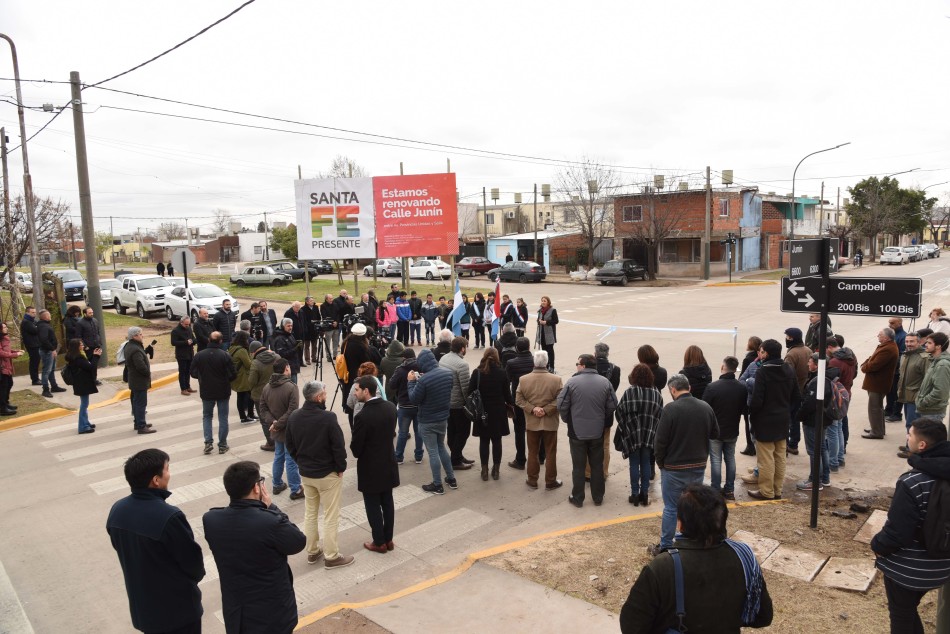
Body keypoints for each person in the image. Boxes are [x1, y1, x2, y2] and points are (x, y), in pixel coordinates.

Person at [620, 484, 773, 633]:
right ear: (723, 520)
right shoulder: (744, 557)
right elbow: (763, 617)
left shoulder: (662, 567)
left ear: (680, 524)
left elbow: (632, 626)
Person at [106, 449, 205, 634]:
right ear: (156, 480)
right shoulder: (169, 517)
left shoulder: (117, 510)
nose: (169, 474)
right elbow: (194, 566)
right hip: (178, 613)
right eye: (167, 469)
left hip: (144, 611)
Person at [203, 460, 305, 634]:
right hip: (273, 615)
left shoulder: (211, 520)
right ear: (256, 488)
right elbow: (298, 542)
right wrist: (271, 508)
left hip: (237, 614)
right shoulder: (269, 521)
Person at [872, 417, 950, 633]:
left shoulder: (912, 482)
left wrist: (877, 545)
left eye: (910, 434)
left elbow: (897, 534)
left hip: (909, 570)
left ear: (921, 445)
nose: (907, 437)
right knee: (907, 611)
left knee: (901, 617)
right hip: (943, 566)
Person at [285, 381, 355, 569]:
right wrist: (340, 467)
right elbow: (338, 446)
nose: (326, 395)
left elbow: (290, 445)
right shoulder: (328, 418)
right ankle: (332, 556)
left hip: (307, 473)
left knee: (310, 513)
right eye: (324, 393)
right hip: (327, 474)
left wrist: (300, 461)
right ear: (318, 397)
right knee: (331, 515)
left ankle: (313, 550)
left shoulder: (294, 417)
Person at [652, 374, 718, 555]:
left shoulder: (670, 409)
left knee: (671, 507)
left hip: (673, 468)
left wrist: (661, 463)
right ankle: (690, 540)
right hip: (698, 465)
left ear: (673, 390)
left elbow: (660, 441)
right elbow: (715, 433)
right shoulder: (705, 407)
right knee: (693, 505)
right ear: (689, 388)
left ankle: (666, 545)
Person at [557, 354, 617, 508]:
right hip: (597, 431)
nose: (576, 366)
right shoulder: (605, 382)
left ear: (583, 366)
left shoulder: (572, 382)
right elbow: (612, 405)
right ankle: (598, 497)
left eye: (577, 364)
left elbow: (561, 405)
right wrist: (601, 417)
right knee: (597, 465)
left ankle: (578, 498)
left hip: (576, 432)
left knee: (578, 466)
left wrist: (568, 419)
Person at [350, 376, 400, 553]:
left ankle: (379, 542)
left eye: (357, 390)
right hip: (388, 463)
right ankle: (388, 539)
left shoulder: (362, 416)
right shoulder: (390, 407)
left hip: (370, 468)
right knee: (387, 502)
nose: (354, 393)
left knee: (372, 505)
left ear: (366, 391)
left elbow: (356, 449)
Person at [747, 339, 799, 500]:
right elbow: (796, 396)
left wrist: (752, 414)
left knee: (766, 458)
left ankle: (766, 491)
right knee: (779, 456)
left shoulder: (763, 371)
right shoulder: (788, 369)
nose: (760, 354)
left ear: (767, 353)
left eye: (762, 351)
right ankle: (777, 489)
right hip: (782, 419)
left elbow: (757, 400)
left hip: (765, 420)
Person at [408, 348, 457, 494]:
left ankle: (437, 485)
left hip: (427, 420)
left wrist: (411, 382)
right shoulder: (447, 373)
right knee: (441, 447)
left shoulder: (423, 380)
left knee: (433, 452)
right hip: (443, 418)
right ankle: (451, 479)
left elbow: (414, 399)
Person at [615, 363, 664, 506]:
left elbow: (619, 412)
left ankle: (635, 494)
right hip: (649, 434)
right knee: (646, 462)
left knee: (634, 463)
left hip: (632, 434)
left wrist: (626, 426)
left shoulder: (629, 392)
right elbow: (660, 415)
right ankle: (645, 494)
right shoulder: (656, 393)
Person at [515, 350, 564, 490]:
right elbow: (560, 400)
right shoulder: (556, 380)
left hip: (532, 422)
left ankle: (532, 480)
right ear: (547, 362)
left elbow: (519, 400)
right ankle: (550, 481)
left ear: (534, 362)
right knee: (551, 452)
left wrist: (533, 409)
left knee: (532, 452)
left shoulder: (523, 379)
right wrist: (546, 409)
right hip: (550, 422)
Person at [703, 356, 746, 500]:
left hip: (715, 430)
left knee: (716, 460)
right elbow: (743, 408)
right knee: (730, 459)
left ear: (723, 367)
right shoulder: (741, 388)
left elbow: (705, 408)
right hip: (732, 429)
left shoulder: (712, 387)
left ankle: (715, 488)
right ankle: (729, 489)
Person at [795, 353, 837, 491]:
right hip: (823, 419)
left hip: (813, 420)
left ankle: (815, 481)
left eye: (810, 361)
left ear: (818, 364)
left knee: (814, 450)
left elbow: (809, 403)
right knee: (821, 448)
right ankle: (825, 478)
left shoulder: (818, 381)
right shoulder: (827, 378)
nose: (808, 364)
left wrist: (799, 415)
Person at [470, 347, 513, 481]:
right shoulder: (502, 373)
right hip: (498, 412)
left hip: (481, 411)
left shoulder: (477, 372)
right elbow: (507, 395)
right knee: (497, 440)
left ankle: (484, 470)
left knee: (484, 440)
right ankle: (496, 470)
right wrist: (511, 404)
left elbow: (470, 391)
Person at [190, 331, 237, 454]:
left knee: (207, 416)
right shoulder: (225, 355)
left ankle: (208, 442)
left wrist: (202, 377)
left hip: (206, 390)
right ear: (221, 341)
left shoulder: (199, 355)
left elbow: (193, 372)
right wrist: (225, 380)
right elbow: (233, 374)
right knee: (223, 417)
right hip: (223, 390)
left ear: (208, 340)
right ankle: (222, 444)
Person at [586, 342, 621, 481]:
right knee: (605, 444)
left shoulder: (589, 368)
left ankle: (588, 472)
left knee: (588, 443)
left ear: (595, 353)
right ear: (608, 353)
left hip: (590, 411)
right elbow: (614, 389)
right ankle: (603, 472)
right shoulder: (615, 369)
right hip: (606, 411)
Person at [861, 327, 901, 439]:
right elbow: (872, 358)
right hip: (877, 382)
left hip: (878, 383)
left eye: (880, 335)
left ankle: (876, 432)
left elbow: (875, 365)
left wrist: (864, 367)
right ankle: (878, 429)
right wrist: (866, 363)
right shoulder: (886, 346)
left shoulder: (888, 349)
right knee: (877, 407)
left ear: (886, 338)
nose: (878, 336)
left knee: (874, 408)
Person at [441, 336, 473, 469]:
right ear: (462, 349)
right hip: (458, 404)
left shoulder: (444, 358)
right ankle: (455, 460)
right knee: (463, 432)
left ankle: (457, 455)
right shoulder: (462, 364)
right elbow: (465, 388)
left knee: (452, 430)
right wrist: (470, 404)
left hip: (445, 401)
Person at [506, 337, 536, 470]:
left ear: (516, 348)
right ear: (529, 347)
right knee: (537, 428)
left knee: (519, 431)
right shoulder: (535, 361)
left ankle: (520, 459)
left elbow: (507, 381)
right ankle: (540, 456)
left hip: (518, 400)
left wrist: (509, 401)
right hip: (535, 400)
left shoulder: (511, 363)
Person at [897, 332, 930, 453]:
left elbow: (927, 380)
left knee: (913, 424)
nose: (908, 344)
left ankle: (912, 450)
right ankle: (909, 445)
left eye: (912, 341)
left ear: (919, 342)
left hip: (915, 397)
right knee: (909, 423)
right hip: (906, 396)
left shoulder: (924, 358)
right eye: (907, 341)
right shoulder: (905, 355)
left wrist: (920, 396)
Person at [341, 323, 377, 429]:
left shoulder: (346, 343)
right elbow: (367, 362)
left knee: (351, 404)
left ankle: (353, 428)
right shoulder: (361, 346)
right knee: (361, 403)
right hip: (359, 378)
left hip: (347, 377)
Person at [783, 327, 811, 454]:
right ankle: (794, 444)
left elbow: (788, 375)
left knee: (790, 419)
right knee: (796, 419)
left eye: (788, 337)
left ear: (792, 338)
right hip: (805, 390)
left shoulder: (791, 354)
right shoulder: (808, 350)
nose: (786, 339)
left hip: (794, 392)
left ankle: (790, 445)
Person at [125, 327, 156, 434]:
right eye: (141, 334)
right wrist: (148, 373)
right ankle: (141, 426)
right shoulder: (135, 349)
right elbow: (140, 366)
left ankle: (138, 423)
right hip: (139, 381)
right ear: (135, 336)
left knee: (136, 403)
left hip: (135, 380)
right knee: (140, 404)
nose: (142, 336)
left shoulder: (131, 346)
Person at [249, 341, 279, 451]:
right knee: (278, 417)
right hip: (277, 392)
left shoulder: (256, 363)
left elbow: (252, 381)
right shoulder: (277, 357)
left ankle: (271, 443)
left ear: (253, 352)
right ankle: (281, 440)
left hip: (260, 395)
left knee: (264, 420)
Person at [65, 338, 100, 434]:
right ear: (76, 347)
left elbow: (87, 364)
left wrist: (93, 355)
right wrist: (96, 357)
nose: (83, 346)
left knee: (85, 404)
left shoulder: (76, 356)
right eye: (81, 345)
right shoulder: (78, 358)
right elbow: (90, 367)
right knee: (84, 405)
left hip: (81, 382)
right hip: (82, 383)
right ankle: (82, 427)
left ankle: (86, 422)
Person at [917, 332, 950, 422]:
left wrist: (923, 402)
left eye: (929, 343)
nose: (925, 344)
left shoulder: (942, 365)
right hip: (929, 410)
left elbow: (940, 391)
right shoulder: (935, 361)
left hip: (933, 412)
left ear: (938, 346)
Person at [738, 336, 763, 456]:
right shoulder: (758, 359)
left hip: (750, 396)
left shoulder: (748, 360)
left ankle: (750, 446)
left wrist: (747, 382)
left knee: (749, 422)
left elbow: (742, 378)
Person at [37, 309, 66, 397]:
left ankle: (54, 386)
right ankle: (45, 389)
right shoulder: (44, 326)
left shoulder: (45, 325)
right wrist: (52, 349)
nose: (50, 316)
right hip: (47, 351)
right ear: (45, 317)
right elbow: (44, 339)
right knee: (46, 370)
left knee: (51, 369)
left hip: (49, 350)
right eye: (49, 315)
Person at [885, 317, 908, 423]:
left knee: (896, 393)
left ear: (899, 323)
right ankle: (889, 410)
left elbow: (902, 355)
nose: (890, 325)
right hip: (890, 370)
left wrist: (890, 362)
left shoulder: (903, 336)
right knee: (889, 392)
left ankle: (897, 413)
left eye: (892, 323)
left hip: (897, 370)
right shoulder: (892, 335)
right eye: (889, 323)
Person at [229, 330, 255, 423]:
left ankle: (244, 416)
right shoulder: (242, 350)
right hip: (243, 377)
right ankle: (248, 415)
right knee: (251, 395)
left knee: (240, 396)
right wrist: (252, 357)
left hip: (237, 376)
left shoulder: (232, 348)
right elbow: (249, 365)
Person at [171, 316, 196, 396]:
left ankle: (188, 386)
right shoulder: (175, 331)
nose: (187, 326)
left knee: (188, 371)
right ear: (181, 323)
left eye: (189, 324)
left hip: (190, 353)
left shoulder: (189, 328)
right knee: (182, 372)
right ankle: (183, 389)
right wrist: (185, 342)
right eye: (186, 324)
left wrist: (193, 341)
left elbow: (193, 338)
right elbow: (173, 342)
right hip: (181, 355)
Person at [0, 323, 22, 415]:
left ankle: (6, 403)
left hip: (7, 365)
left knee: (9, 383)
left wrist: (16, 352)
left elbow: (7, 351)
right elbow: (1, 352)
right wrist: (14, 355)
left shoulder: (4, 338)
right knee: (3, 387)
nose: (6, 328)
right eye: (4, 327)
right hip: (2, 367)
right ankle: (3, 408)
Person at [271, 318, 301, 385]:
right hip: (286, 369)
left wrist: (297, 345)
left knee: (294, 386)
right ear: (283, 326)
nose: (290, 328)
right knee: (291, 387)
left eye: (291, 326)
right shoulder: (280, 339)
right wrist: (295, 349)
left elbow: (292, 348)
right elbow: (282, 354)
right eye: (288, 326)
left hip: (293, 367)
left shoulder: (290, 335)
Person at [20, 306, 41, 386]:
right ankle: (35, 379)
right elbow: (35, 330)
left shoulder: (31, 320)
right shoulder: (26, 322)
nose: (34, 314)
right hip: (32, 345)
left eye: (35, 312)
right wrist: (37, 327)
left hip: (35, 343)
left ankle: (36, 378)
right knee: (34, 362)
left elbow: (38, 326)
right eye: (32, 312)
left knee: (36, 361)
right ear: (27, 313)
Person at [283, 301, 307, 367]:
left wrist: (305, 330)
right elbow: (285, 324)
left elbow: (304, 321)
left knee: (301, 348)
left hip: (301, 334)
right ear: (293, 306)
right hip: (293, 334)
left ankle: (301, 362)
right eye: (296, 307)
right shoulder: (288, 313)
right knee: (294, 349)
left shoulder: (301, 312)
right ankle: (295, 363)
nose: (298, 309)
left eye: (299, 307)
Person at [537, 296, 558, 371]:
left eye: (544, 301)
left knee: (550, 351)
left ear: (548, 302)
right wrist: (539, 321)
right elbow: (538, 320)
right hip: (542, 333)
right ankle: (546, 365)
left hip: (549, 334)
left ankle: (552, 367)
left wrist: (546, 322)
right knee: (544, 351)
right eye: (542, 301)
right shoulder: (540, 310)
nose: (543, 302)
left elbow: (556, 321)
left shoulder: (553, 310)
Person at [300, 296, 321, 365]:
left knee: (314, 345)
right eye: (311, 301)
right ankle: (307, 359)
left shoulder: (316, 307)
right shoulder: (303, 309)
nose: (312, 302)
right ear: (307, 302)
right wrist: (308, 325)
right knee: (307, 346)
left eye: (313, 300)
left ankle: (314, 358)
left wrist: (317, 323)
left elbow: (319, 317)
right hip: (307, 330)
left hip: (315, 330)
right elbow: (303, 320)